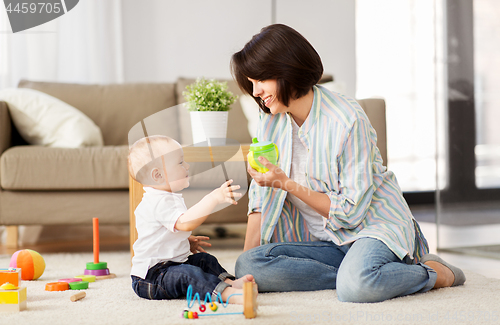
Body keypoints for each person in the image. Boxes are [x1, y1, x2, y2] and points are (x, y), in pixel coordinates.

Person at [231, 24, 465, 303]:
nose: (256, 92)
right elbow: (261, 198)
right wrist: (240, 279)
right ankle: (366, 272)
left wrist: (286, 184)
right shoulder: (269, 118)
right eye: (251, 83)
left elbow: (351, 213)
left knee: (356, 288)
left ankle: (435, 274)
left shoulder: (347, 119)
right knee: (248, 265)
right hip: (327, 242)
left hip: (371, 229)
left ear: (286, 70)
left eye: (260, 81)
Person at [128, 135, 254, 304]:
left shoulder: (165, 197)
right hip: (151, 278)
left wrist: (185, 241)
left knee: (204, 260)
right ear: (157, 175)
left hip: (170, 266)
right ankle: (226, 295)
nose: (187, 166)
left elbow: (164, 233)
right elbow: (185, 222)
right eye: (180, 163)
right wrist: (213, 199)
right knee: (187, 274)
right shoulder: (159, 201)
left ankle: (229, 282)